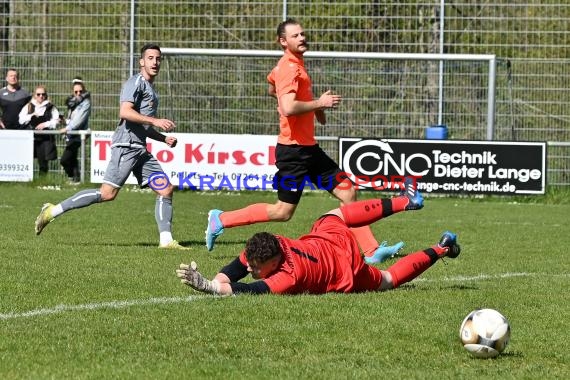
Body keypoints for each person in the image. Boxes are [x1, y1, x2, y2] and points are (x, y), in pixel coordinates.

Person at [205, 18, 403, 264]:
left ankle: (371, 250)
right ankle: (221, 219)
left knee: (348, 191)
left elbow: (272, 86)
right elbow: (287, 107)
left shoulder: (293, 65)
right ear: (283, 41)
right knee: (283, 211)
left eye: (303, 34)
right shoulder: (288, 66)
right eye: (296, 35)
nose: (302, 38)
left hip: (310, 150)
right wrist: (319, 104)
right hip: (293, 152)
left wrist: (311, 104)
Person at [177, 179, 461, 295]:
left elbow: (251, 291)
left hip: (346, 270)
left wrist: (209, 286)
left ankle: (441, 248)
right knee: (334, 214)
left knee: (388, 280)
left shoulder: (289, 277)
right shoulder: (269, 244)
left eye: (256, 268)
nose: (249, 269)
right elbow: (235, 270)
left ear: (274, 262)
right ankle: (404, 202)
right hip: (329, 241)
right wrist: (217, 278)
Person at [34, 43, 188, 250]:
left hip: (140, 149)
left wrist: (162, 139)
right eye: (150, 58)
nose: (155, 62)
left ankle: (166, 241)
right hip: (126, 146)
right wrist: (155, 121)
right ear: (141, 61)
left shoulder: (151, 89)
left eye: (158, 58)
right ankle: (52, 211)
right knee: (107, 194)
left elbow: (141, 123)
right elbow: (125, 112)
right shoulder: (136, 83)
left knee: (166, 189)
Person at [18, 86, 60, 176]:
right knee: (27, 160)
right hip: (30, 138)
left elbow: (56, 121)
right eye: (38, 94)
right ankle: (26, 179)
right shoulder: (29, 106)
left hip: (44, 139)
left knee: (43, 162)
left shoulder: (51, 107)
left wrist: (45, 124)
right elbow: (21, 119)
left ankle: (42, 181)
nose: (41, 96)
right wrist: (31, 116)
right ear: (34, 95)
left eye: (43, 94)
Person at [59, 77, 92, 184]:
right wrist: (64, 121)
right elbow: (71, 120)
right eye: (76, 91)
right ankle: (76, 180)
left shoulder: (86, 102)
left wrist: (67, 128)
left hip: (77, 134)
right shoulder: (72, 103)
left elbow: (79, 120)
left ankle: (72, 177)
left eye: (80, 91)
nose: (78, 93)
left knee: (65, 159)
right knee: (73, 159)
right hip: (71, 134)